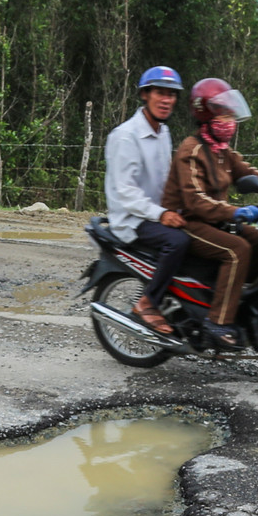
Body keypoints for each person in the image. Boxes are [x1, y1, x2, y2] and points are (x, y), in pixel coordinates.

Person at [160, 78, 258, 348]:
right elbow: (195, 202)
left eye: (231, 115)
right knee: (237, 250)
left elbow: (250, 172)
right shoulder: (191, 150)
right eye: (223, 114)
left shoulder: (221, 150)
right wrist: (238, 212)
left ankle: (238, 301)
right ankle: (216, 323)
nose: (229, 121)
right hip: (188, 222)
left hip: (215, 221)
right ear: (205, 113)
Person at [103, 65, 190, 336]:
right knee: (178, 241)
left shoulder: (162, 132)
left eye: (172, 94)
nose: (167, 100)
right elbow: (125, 191)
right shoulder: (126, 136)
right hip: (132, 219)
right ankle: (147, 302)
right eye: (160, 93)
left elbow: (165, 178)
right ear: (145, 95)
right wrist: (162, 214)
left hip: (156, 212)